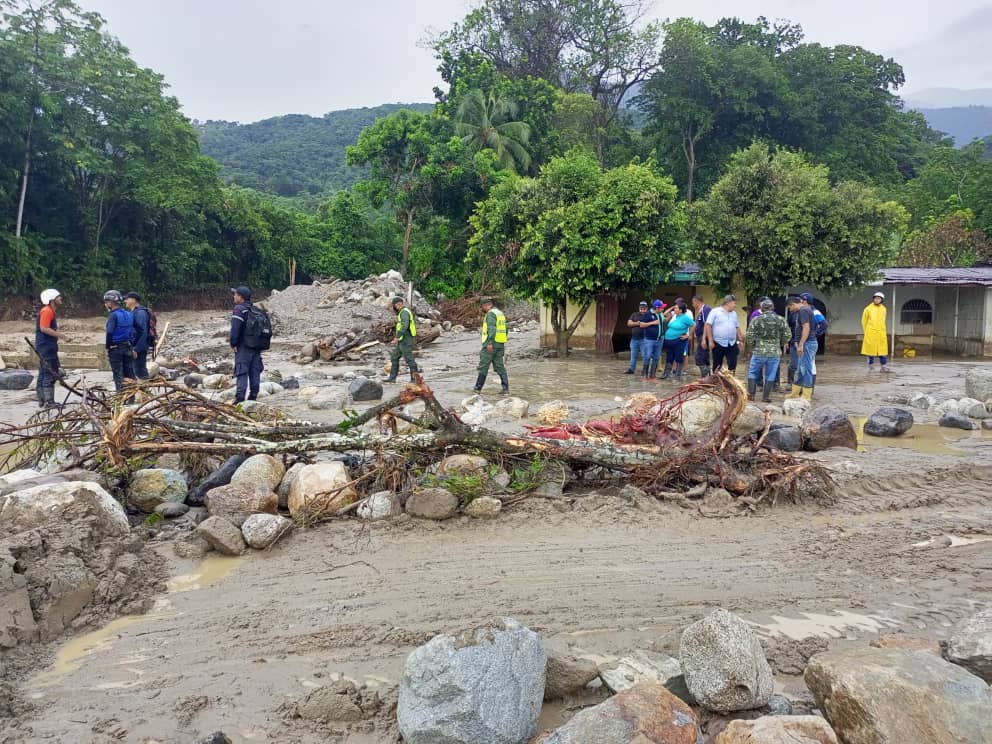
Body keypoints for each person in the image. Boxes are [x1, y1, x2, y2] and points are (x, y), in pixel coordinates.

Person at [746, 299, 790, 402]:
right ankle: (765, 397)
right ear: (773, 308)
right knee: (771, 374)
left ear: (762, 308)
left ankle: (751, 395)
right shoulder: (780, 319)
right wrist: (780, 343)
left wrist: (753, 346)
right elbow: (788, 335)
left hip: (759, 351)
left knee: (752, 372)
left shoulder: (756, 319)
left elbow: (749, 335)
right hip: (774, 352)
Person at [230, 285, 263, 403]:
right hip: (256, 347)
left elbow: (235, 329)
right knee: (255, 370)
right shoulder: (255, 310)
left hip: (243, 347)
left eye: (235, 294)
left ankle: (239, 398)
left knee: (242, 370)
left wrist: (233, 344)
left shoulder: (239, 309)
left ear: (241, 297)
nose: (234, 296)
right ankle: (253, 395)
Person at [35, 288, 66, 408]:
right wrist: (61, 336)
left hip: (46, 346)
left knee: (43, 372)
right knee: (49, 372)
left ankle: (42, 399)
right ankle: (49, 401)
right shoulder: (47, 311)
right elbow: (44, 328)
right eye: (58, 297)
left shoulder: (48, 311)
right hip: (46, 347)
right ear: (52, 300)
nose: (60, 298)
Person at [474, 297, 509, 394]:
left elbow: (492, 329)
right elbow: (505, 329)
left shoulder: (490, 314)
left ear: (486, 305)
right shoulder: (499, 313)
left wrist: (489, 343)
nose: (482, 309)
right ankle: (505, 388)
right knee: (500, 366)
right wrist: (501, 342)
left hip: (491, 345)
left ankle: (477, 389)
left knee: (483, 366)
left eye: (482, 306)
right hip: (500, 344)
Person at [704, 295, 745, 374]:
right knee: (717, 364)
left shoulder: (734, 313)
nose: (735, 305)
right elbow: (708, 325)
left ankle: (731, 380)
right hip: (718, 343)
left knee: (733, 363)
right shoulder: (715, 311)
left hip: (732, 343)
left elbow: (736, 327)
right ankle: (716, 380)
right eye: (734, 303)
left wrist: (740, 339)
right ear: (728, 303)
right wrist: (710, 340)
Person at [103, 290, 134, 392]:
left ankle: (120, 397)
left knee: (118, 374)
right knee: (129, 372)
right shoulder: (129, 314)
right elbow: (132, 332)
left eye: (106, 302)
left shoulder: (113, 315)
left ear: (110, 303)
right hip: (128, 347)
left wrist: (108, 347)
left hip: (116, 348)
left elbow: (110, 332)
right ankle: (131, 395)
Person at [785, 295, 816, 399]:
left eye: (790, 307)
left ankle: (807, 395)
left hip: (807, 344)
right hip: (805, 343)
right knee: (800, 369)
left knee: (806, 369)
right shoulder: (803, 310)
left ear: (793, 304)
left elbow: (806, 328)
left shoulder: (804, 311)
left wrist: (801, 344)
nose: (790, 310)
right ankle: (795, 393)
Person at [386, 296, 419, 383]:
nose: (394, 308)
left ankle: (414, 379)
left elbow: (404, 326)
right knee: (394, 357)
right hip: (402, 339)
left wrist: (397, 337)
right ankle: (392, 378)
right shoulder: (402, 312)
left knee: (409, 359)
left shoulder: (404, 312)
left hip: (406, 339)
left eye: (394, 306)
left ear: (398, 305)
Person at [660, 300, 694, 380]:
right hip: (669, 340)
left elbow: (693, 325)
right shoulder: (675, 316)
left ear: (681, 310)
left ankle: (678, 374)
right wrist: (672, 307)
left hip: (678, 340)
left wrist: (688, 335)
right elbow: (665, 314)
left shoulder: (685, 317)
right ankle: (666, 374)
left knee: (679, 357)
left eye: (676, 308)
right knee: (669, 356)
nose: (674, 310)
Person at [124, 292, 152, 379]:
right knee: (134, 371)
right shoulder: (133, 312)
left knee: (140, 371)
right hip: (133, 347)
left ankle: (145, 390)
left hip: (139, 348)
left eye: (127, 299)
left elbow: (143, 332)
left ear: (133, 300)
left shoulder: (140, 313)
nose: (125, 301)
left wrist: (136, 348)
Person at [861, 291, 890, 373]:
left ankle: (883, 367)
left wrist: (883, 330)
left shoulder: (884, 309)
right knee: (870, 351)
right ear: (873, 299)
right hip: (870, 333)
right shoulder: (868, 309)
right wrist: (866, 331)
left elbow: (883, 320)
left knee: (882, 351)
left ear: (882, 300)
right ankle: (871, 366)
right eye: (876, 298)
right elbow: (864, 321)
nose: (877, 300)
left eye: (879, 299)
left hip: (881, 333)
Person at [625, 301, 653, 375]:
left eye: (644, 309)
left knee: (645, 355)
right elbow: (629, 323)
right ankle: (631, 369)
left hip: (645, 339)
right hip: (634, 339)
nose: (642, 310)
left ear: (647, 308)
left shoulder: (649, 316)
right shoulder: (634, 314)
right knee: (633, 355)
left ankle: (645, 370)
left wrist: (644, 324)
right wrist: (637, 323)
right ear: (639, 308)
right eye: (641, 308)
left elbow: (652, 325)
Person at [645, 299, 667, 378]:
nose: (663, 309)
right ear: (657, 308)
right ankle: (645, 375)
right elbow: (641, 325)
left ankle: (652, 375)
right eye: (662, 307)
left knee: (657, 357)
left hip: (660, 339)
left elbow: (663, 321)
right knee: (648, 356)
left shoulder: (660, 314)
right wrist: (652, 323)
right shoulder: (648, 314)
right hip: (649, 339)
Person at [691, 295, 712, 377]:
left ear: (697, 301)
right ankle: (707, 376)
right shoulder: (701, 311)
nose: (693, 305)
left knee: (699, 356)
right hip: (701, 336)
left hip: (704, 336)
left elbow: (707, 324)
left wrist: (704, 338)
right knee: (704, 356)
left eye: (693, 303)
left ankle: (705, 375)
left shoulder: (705, 309)